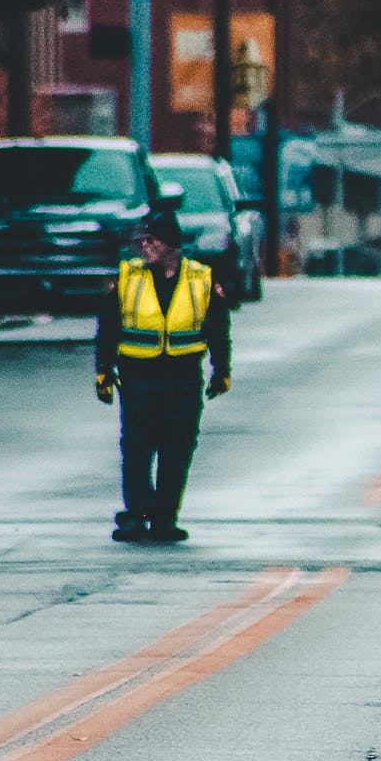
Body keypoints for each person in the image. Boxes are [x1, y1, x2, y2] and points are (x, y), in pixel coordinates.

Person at [94, 211, 232, 544]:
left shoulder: (201, 279)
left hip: (183, 379)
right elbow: (108, 327)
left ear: (171, 244)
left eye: (150, 240)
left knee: (177, 450)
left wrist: (221, 370)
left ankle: (165, 518)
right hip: (138, 378)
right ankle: (137, 517)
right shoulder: (127, 277)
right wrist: (103, 371)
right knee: (137, 449)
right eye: (140, 240)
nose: (143, 246)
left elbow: (218, 328)